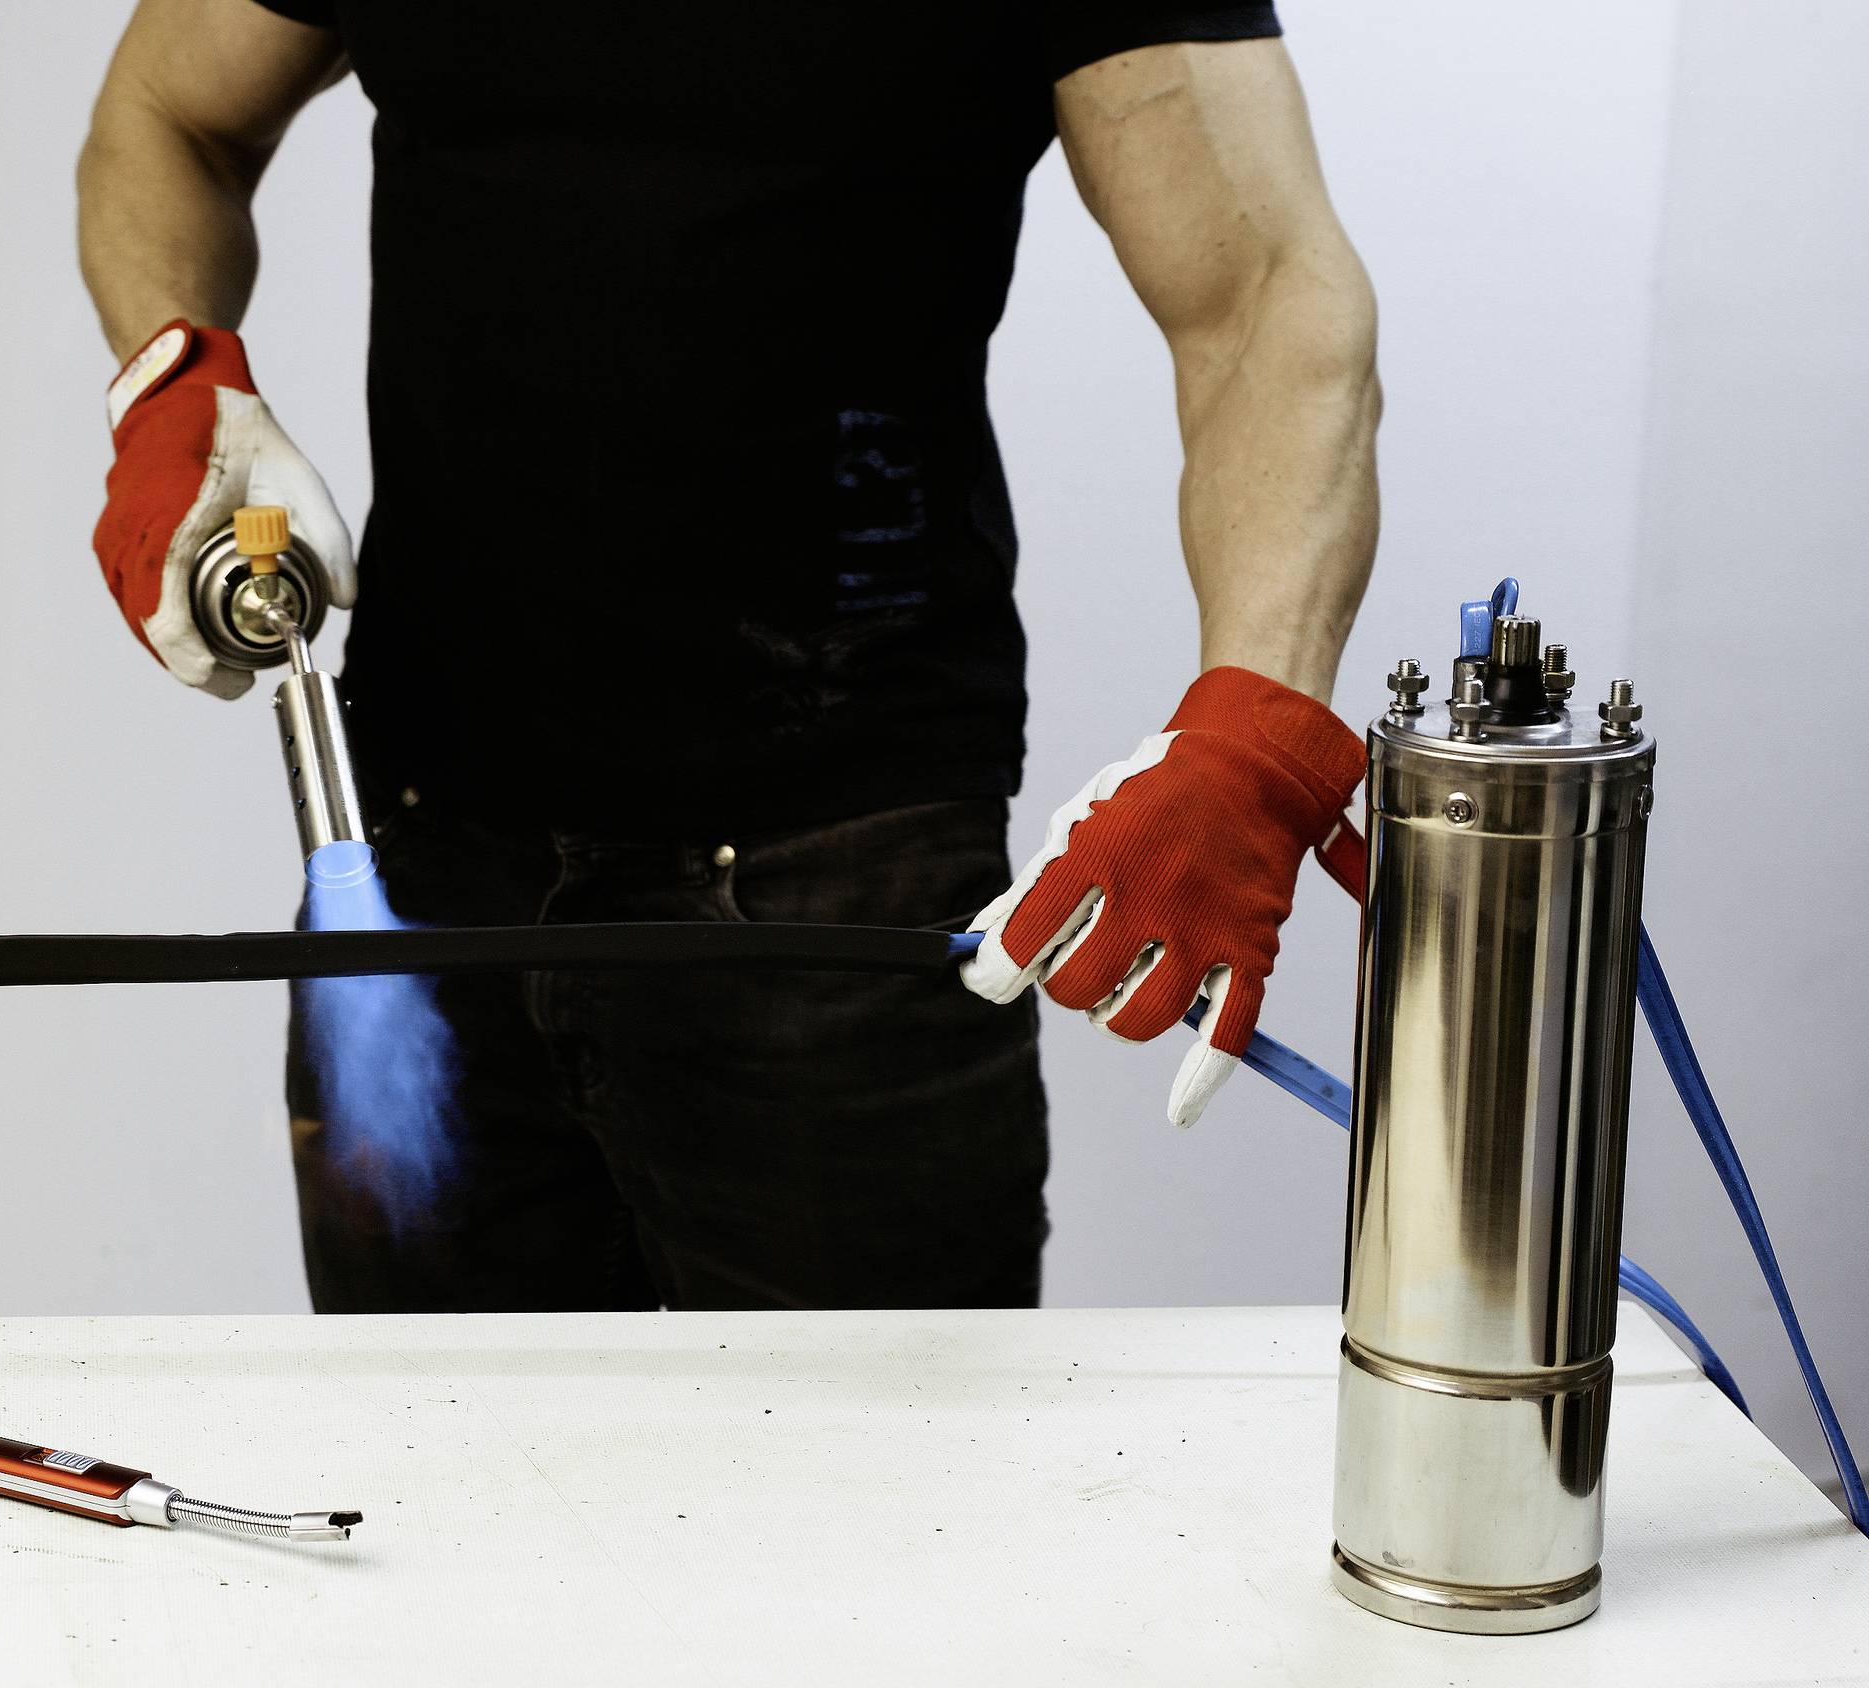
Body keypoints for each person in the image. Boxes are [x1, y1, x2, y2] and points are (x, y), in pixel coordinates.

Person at [76, 1, 1378, 1313]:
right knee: (434, 1497)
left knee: (892, 1513)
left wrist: (1252, 742)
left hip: (836, 890)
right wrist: (175, 384)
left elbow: (1263, 300)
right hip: (417, 867)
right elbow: (170, 115)